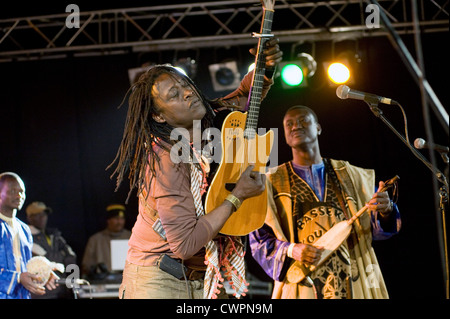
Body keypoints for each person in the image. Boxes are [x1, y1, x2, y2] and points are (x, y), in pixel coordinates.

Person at [108, 38, 282, 299]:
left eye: (185, 85)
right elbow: (185, 244)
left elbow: (245, 96)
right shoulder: (165, 159)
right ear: (159, 116)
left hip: (206, 276)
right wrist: (238, 196)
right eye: (174, 95)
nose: (188, 93)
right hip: (158, 280)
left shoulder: (208, 123)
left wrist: (265, 68)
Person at [249, 105, 401, 299]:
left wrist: (385, 210)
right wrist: (291, 250)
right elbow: (258, 239)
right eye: (289, 124)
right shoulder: (270, 182)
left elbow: (375, 230)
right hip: (303, 284)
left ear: (318, 128)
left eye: (303, 120)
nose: (296, 126)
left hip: (354, 280)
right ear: (285, 135)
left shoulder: (352, 176)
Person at [0, 172, 57, 299]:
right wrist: (17, 277)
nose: (19, 195)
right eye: (13, 190)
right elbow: (20, 276)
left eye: (22, 191)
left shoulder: (24, 229)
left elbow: (26, 267)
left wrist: (43, 275)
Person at [26, 201, 77, 299]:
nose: (42, 218)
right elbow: (44, 259)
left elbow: (71, 257)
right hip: (40, 293)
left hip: (61, 290)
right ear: (29, 218)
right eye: (38, 215)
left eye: (44, 214)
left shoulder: (54, 235)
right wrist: (61, 255)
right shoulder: (26, 236)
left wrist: (54, 259)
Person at [82, 204, 131, 279]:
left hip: (128, 280)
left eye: (122, 219)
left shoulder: (131, 237)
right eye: (116, 218)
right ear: (108, 220)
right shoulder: (96, 239)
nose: (119, 222)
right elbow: (87, 265)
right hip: (103, 281)